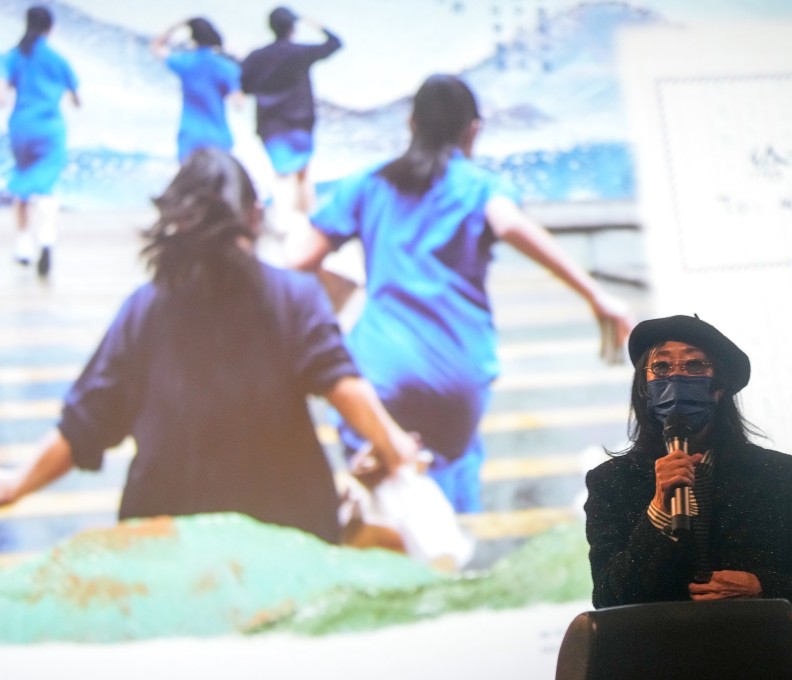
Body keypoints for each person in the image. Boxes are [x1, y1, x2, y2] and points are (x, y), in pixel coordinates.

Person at [0, 148, 419, 545]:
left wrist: (17, 485)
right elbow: (342, 385)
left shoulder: (145, 310)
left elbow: (84, 425)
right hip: (287, 534)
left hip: (167, 542)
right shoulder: (293, 297)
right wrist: (393, 447)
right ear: (254, 217)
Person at [290, 74, 633, 513]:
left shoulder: (367, 184)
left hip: (381, 367)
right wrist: (594, 294)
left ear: (411, 123)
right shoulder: (479, 186)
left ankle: (376, 482)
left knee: (377, 489)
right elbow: (509, 224)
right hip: (457, 372)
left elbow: (296, 262)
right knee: (452, 473)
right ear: (473, 130)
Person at [583, 314, 792, 638]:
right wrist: (658, 514)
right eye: (662, 368)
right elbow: (609, 601)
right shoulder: (612, 482)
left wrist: (763, 588)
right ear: (645, 389)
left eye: (694, 367)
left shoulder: (779, 476)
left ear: (719, 387)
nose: (676, 378)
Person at [240, 6, 341, 249]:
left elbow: (246, 87)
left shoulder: (257, 56)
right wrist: (313, 21)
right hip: (300, 123)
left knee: (282, 176)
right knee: (303, 174)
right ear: (292, 27)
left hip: (271, 124)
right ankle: (308, 228)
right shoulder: (299, 53)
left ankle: (286, 230)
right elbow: (335, 43)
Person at [1, 5, 80, 277]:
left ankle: (23, 246)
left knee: (22, 180)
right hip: (50, 126)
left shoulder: (12, 56)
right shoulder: (58, 59)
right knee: (46, 186)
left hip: (21, 125)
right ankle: (46, 239)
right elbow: (77, 98)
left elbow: (1, 97)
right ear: (51, 27)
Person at [150, 17, 242, 163]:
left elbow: (156, 47)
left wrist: (177, 25)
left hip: (190, 137)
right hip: (219, 137)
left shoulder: (185, 61)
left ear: (193, 39)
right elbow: (238, 104)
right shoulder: (227, 67)